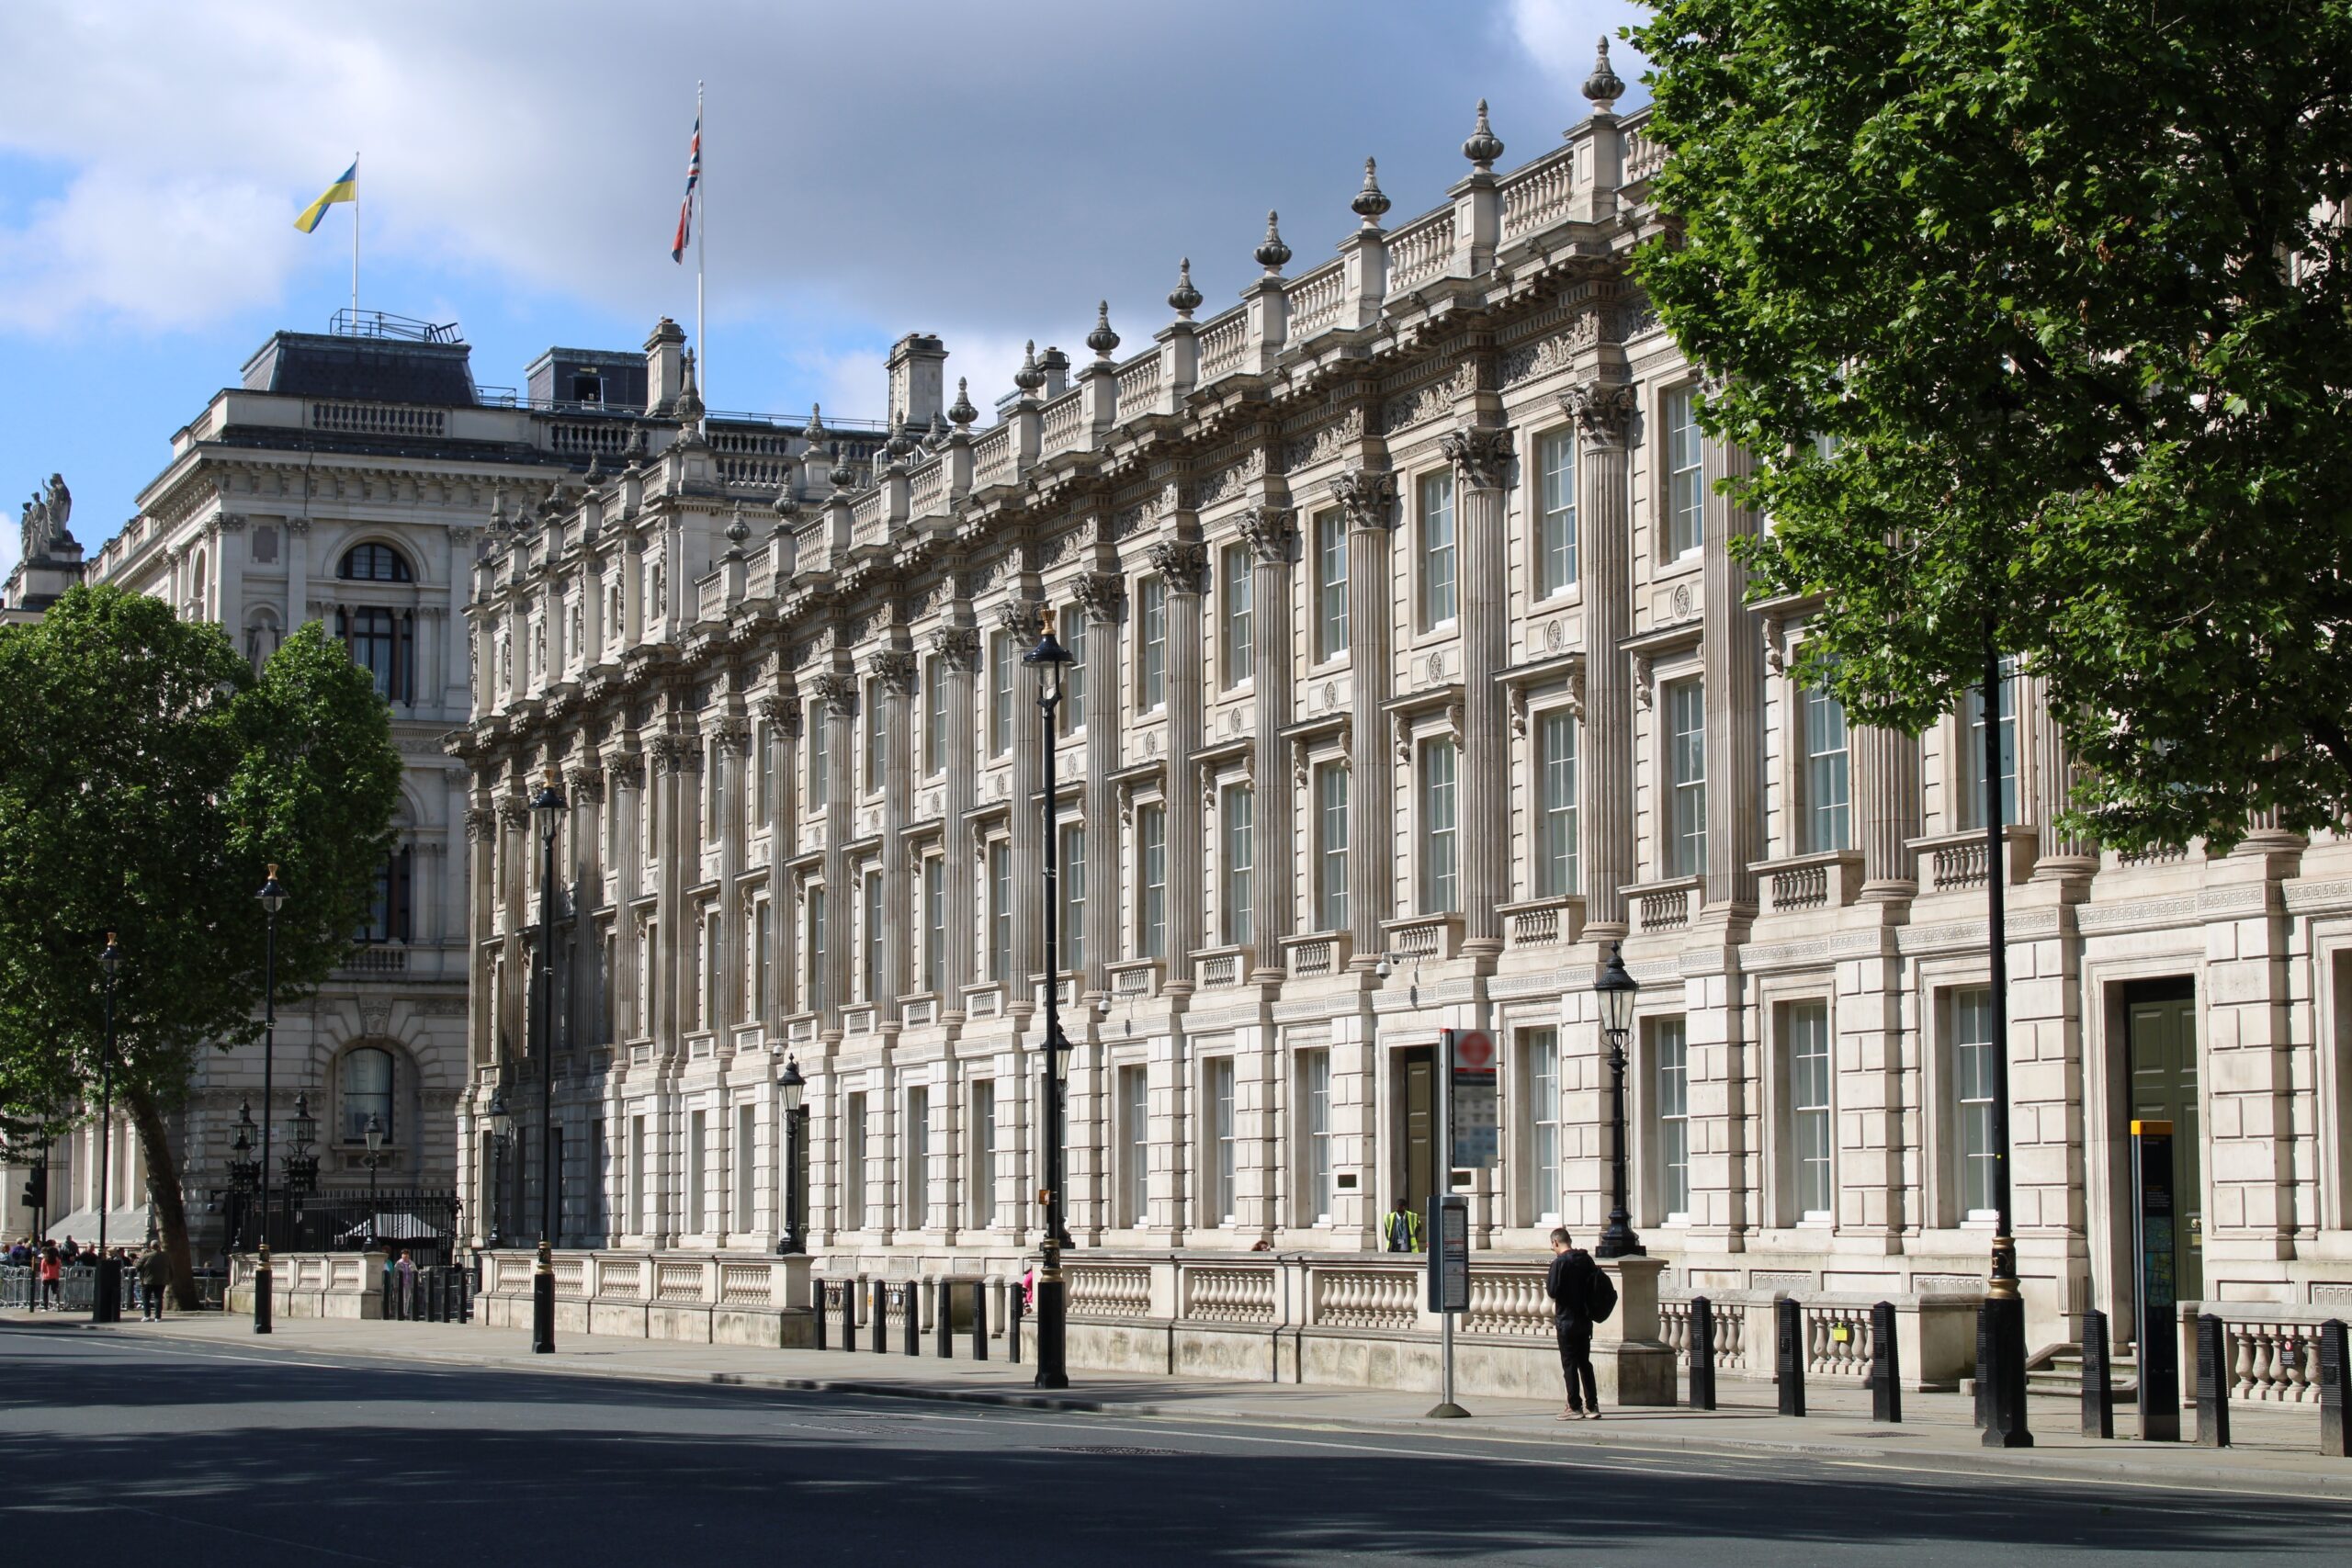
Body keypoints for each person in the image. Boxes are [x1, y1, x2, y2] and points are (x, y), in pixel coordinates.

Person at [1546, 1226, 1601, 1420]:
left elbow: (1552, 1291)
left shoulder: (1559, 1263)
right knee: (1585, 1363)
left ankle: (1574, 1406)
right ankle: (1592, 1405)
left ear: (1555, 1242)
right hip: (1584, 1319)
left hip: (1566, 1320)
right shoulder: (1586, 1259)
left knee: (1569, 1363)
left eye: (1552, 1245)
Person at [136, 1245, 169, 1321]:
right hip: (161, 1280)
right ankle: (158, 1317)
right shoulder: (166, 1256)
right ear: (159, 1247)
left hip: (148, 1280)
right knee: (158, 1298)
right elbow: (170, 1267)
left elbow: (138, 1266)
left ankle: (147, 1315)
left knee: (146, 1298)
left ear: (151, 1247)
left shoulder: (146, 1256)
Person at [38, 1242, 62, 1311]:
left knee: (45, 1292)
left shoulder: (44, 1260)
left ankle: (45, 1306)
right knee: (55, 1291)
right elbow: (59, 1267)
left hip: (46, 1277)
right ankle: (57, 1303)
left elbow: (42, 1270)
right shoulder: (57, 1260)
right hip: (55, 1277)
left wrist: (41, 1277)